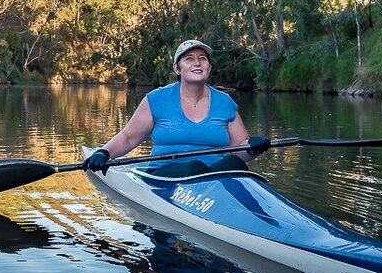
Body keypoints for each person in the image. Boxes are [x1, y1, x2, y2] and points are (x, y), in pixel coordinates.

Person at [83, 39, 270, 177]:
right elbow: (129, 138)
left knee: (234, 163)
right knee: (194, 167)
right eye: (189, 59)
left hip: (217, 181)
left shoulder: (225, 102)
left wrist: (253, 148)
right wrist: (104, 152)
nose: (197, 63)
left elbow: (239, 150)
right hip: (165, 176)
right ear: (177, 68)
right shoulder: (157, 99)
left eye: (202, 58)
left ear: (209, 67)